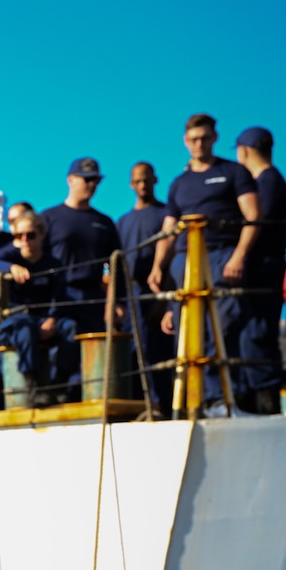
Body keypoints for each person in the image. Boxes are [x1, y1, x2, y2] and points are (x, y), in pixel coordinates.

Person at [147, 114, 261, 411]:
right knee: (187, 329)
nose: (199, 144)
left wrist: (239, 255)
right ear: (186, 141)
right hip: (185, 262)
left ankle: (225, 397)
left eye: (204, 138)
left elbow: (253, 216)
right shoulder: (179, 184)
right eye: (193, 139)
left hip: (222, 254)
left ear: (214, 138)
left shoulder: (233, 172)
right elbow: (168, 230)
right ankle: (188, 401)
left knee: (224, 323)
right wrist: (159, 265)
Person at [0, 213, 79, 403]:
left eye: (30, 235)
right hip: (18, 318)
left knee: (70, 327)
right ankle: (34, 387)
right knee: (24, 331)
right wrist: (11, 268)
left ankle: (59, 385)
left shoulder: (53, 264)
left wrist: (52, 319)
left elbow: (60, 295)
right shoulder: (10, 256)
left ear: (42, 235)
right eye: (18, 236)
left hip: (45, 317)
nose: (24, 240)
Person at [236, 127, 286, 413]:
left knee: (256, 334)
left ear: (243, 151)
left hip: (263, 270)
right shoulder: (273, 180)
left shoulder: (267, 182)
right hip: (266, 268)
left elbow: (260, 225)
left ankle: (264, 404)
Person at [41, 158, 121, 336]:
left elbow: (117, 267)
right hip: (58, 296)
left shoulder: (104, 223)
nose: (92, 185)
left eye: (96, 180)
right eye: (87, 179)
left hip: (93, 298)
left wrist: (115, 302)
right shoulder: (49, 218)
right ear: (70, 180)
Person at [116, 162, 174, 407]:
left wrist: (167, 302)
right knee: (131, 352)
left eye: (146, 180)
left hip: (158, 292)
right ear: (131, 183)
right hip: (131, 295)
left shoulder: (166, 215)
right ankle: (139, 404)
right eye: (137, 181)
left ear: (155, 180)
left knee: (158, 352)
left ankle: (162, 405)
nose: (142, 185)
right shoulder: (123, 221)